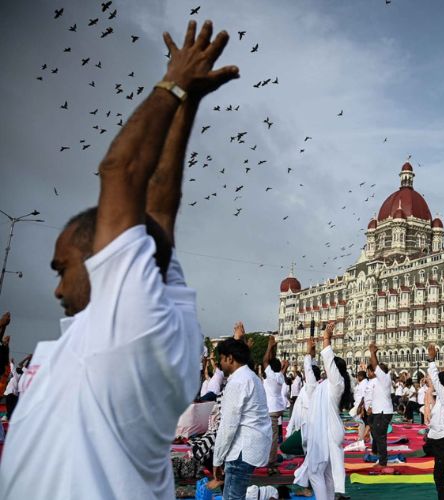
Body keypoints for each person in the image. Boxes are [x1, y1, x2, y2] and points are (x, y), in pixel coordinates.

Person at [0, 20, 239, 499]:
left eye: (62, 268)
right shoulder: (164, 323)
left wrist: (173, 84)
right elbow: (159, 205)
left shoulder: (126, 329)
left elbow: (120, 170)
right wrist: (189, 102)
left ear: (105, 257)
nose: (57, 289)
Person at [294, 322, 353, 500]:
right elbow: (310, 375)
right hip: (328, 432)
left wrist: (327, 339)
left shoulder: (337, 384)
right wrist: (309, 354)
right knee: (327, 474)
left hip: (325, 434)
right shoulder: (323, 386)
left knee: (315, 473)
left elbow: (328, 361)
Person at [212, 338, 271, 500]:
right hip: (252, 446)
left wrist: (217, 459)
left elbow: (228, 425)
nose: (220, 364)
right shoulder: (252, 378)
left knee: (232, 497)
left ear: (230, 358)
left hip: (241, 450)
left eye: (221, 359)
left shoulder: (238, 381)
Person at [422, 343, 444, 500]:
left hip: (443, 440)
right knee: (438, 474)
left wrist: (431, 359)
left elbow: (435, 379)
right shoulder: (443, 400)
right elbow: (432, 413)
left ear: (442, 385)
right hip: (437, 439)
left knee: (439, 475)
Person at [263, 332, 288, 474]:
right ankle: (269, 458)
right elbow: (272, 363)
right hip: (277, 409)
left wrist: (269, 347)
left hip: (271, 410)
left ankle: (270, 462)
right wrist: (274, 348)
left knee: (272, 438)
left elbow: (266, 360)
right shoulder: (279, 376)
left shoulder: (272, 376)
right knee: (271, 436)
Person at [368, 340, 394, 469]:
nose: (373, 371)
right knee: (377, 435)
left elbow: (374, 365)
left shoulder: (384, 378)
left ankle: (383, 462)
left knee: (380, 437)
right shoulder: (379, 381)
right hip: (380, 411)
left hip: (383, 412)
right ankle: (381, 458)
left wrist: (373, 353)